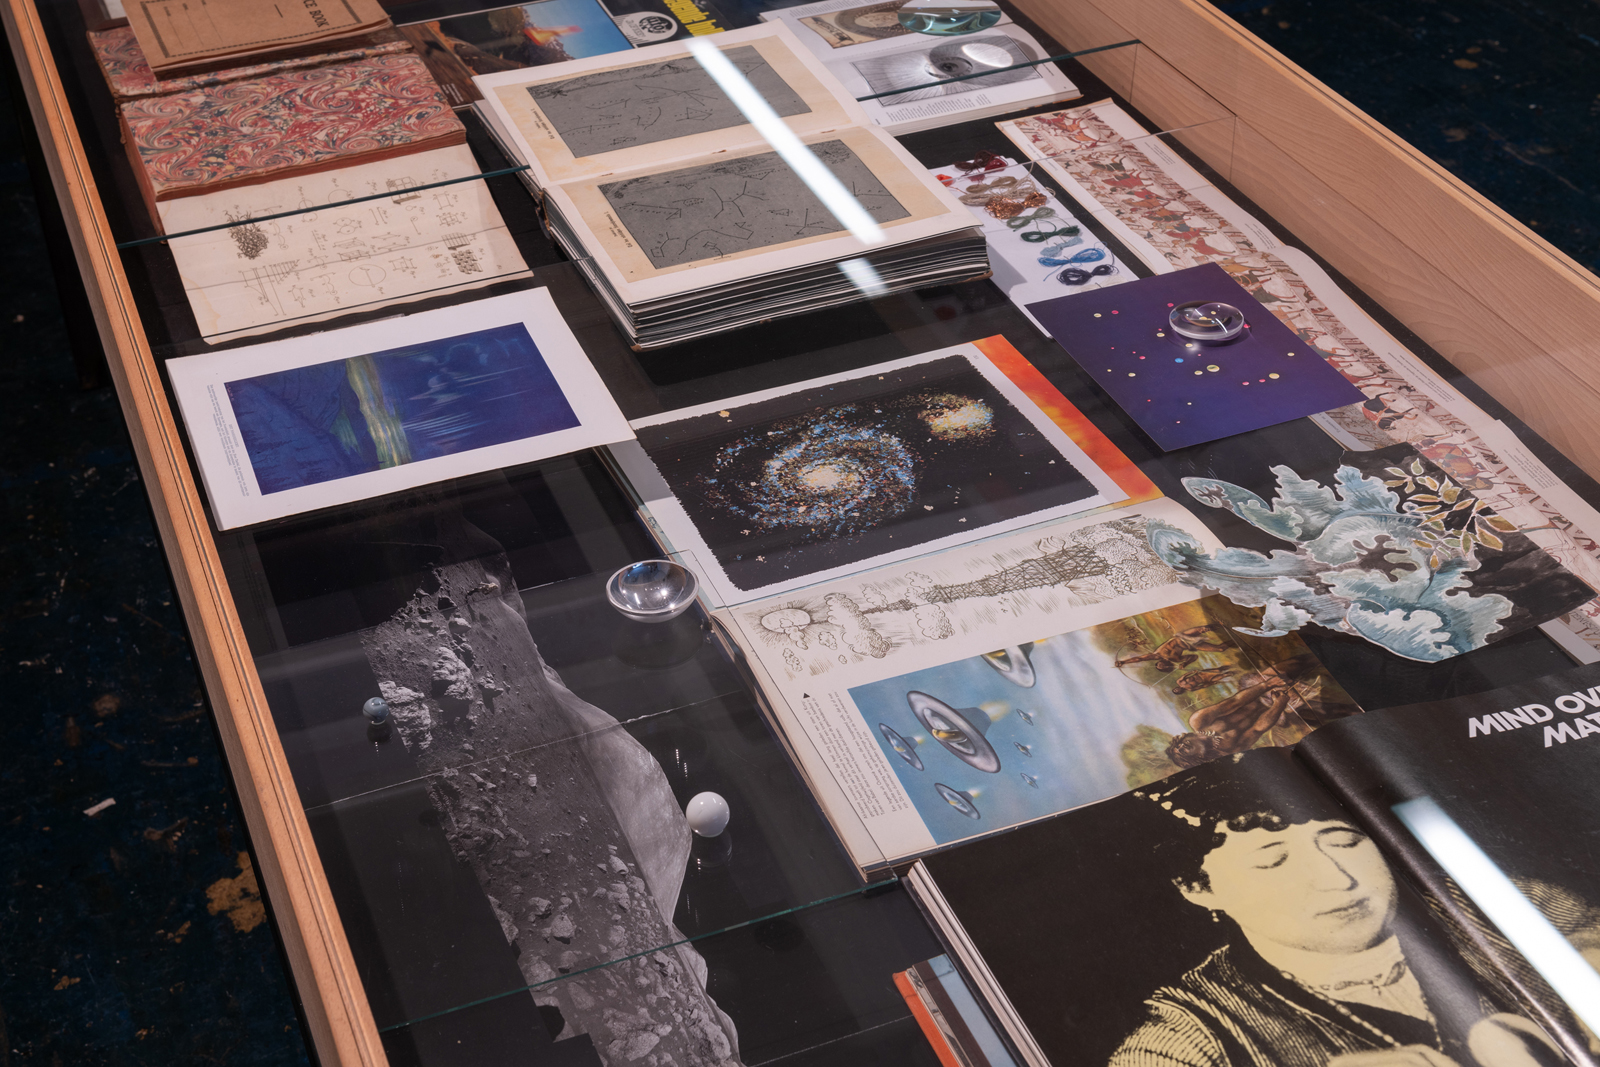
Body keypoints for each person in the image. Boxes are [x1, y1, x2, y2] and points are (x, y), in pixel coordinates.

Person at [1112, 766, 1566, 1067]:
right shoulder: (1188, 1032)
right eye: (1272, 861)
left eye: (1345, 842)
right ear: (1199, 889)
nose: (1336, 879)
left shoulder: (1497, 909)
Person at [1116, 624, 1230, 673]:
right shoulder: (1176, 659)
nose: (1160, 665)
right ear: (1166, 667)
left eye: (1158, 665)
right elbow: (1194, 656)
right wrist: (1185, 664)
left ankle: (1221, 624)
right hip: (1191, 645)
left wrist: (1124, 662)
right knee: (1220, 649)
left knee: (1204, 629)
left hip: (1182, 637)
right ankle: (1233, 640)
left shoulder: (1157, 655)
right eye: (1161, 667)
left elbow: (1140, 659)